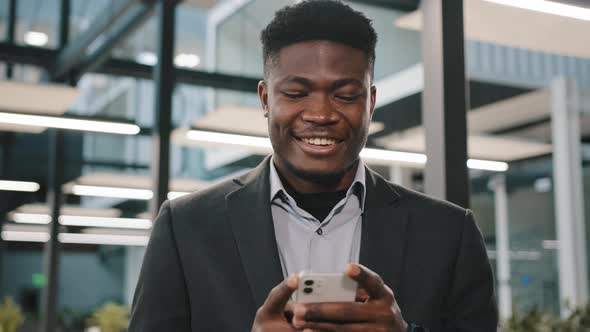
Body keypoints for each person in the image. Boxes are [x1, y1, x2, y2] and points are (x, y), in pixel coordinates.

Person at [128, 1, 498, 331]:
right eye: (296, 93)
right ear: (265, 99)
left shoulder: (450, 234)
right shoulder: (186, 227)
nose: (321, 114)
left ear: (369, 103)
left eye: (346, 95)